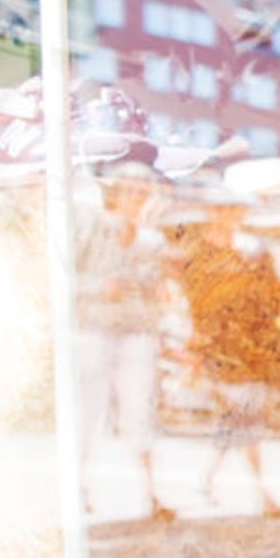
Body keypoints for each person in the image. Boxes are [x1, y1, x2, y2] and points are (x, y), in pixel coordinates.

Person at [174, 197, 280, 519]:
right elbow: (196, 304)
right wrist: (197, 349)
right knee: (244, 417)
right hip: (220, 349)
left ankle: (206, 479)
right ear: (212, 212)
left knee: (236, 419)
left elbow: (274, 295)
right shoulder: (202, 256)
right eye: (222, 209)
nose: (229, 216)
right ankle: (262, 494)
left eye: (234, 210)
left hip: (253, 346)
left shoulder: (252, 251)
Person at [76, 168, 174, 522]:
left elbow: (158, 286)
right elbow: (59, 278)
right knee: (87, 414)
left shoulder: (152, 240)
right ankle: (78, 490)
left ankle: (151, 494)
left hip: (135, 332)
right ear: (114, 194)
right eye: (131, 191)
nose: (137, 199)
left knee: (139, 413)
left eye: (143, 192)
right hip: (94, 330)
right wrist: (96, 288)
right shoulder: (90, 227)